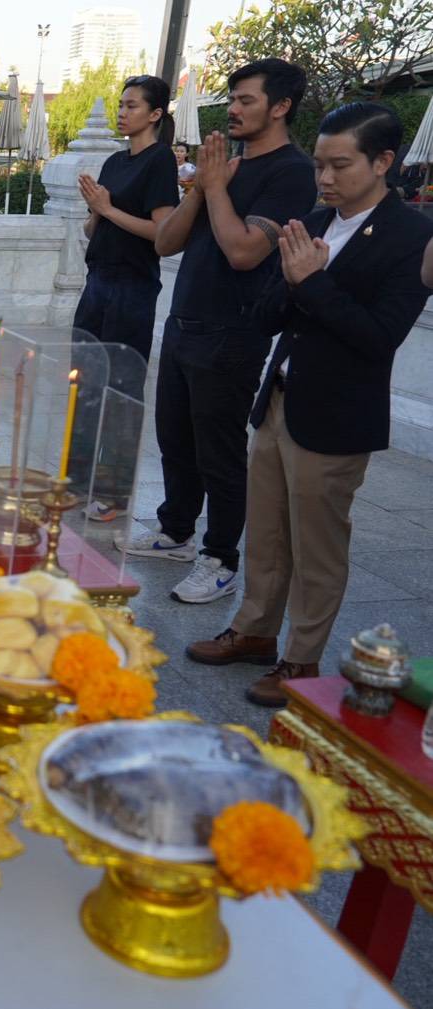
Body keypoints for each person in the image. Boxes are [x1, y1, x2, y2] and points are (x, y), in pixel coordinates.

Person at [186, 102, 433, 706]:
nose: (325, 177)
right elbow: (266, 314)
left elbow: (379, 336)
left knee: (317, 545)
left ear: (382, 162)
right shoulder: (316, 220)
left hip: (336, 413)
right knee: (267, 532)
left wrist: (313, 283)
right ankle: (254, 631)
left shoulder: (411, 236)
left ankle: (302, 658)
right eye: (320, 164)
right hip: (278, 399)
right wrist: (292, 279)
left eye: (340, 165)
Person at [118, 58, 318, 603]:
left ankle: (221, 558)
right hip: (184, 320)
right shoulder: (224, 169)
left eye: (246, 100)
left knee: (219, 452)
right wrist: (201, 191)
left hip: (234, 331)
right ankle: (176, 531)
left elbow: (244, 251)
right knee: (175, 439)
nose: (232, 109)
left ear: (280, 107)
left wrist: (214, 188)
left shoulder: (291, 173)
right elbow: (165, 242)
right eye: (231, 98)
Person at [69, 75, 181, 522]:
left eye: (132, 106)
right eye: (121, 104)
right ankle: (76, 481)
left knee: (121, 391)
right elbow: (91, 227)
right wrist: (97, 211)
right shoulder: (115, 161)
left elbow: (162, 233)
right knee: (84, 383)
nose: (122, 112)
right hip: (97, 280)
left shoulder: (160, 161)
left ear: (155, 114)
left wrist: (109, 208)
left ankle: (113, 494)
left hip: (132, 287)